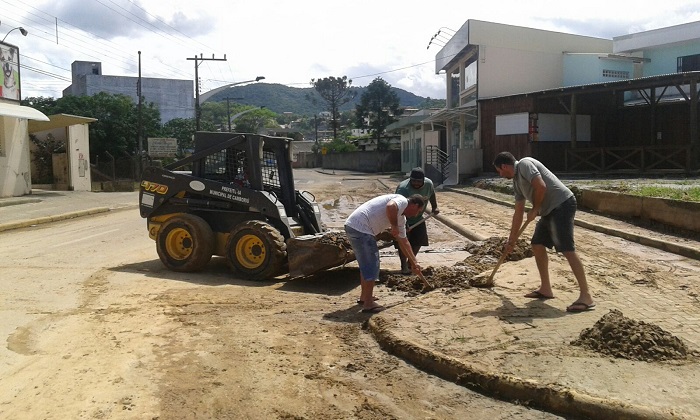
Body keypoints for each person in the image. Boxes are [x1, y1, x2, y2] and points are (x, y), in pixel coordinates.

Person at [492, 151, 595, 313]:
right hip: (549, 210)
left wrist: (536, 208)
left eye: (499, 171)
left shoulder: (525, 164)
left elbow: (541, 186)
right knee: (537, 244)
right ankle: (546, 288)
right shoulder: (517, 182)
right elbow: (518, 212)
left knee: (567, 249)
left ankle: (586, 296)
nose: (500, 174)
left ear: (504, 166)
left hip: (562, 205)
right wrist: (511, 240)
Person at [344, 194, 426, 313]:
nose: (416, 215)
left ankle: (364, 297)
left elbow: (404, 242)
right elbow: (390, 206)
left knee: (366, 264)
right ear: (415, 205)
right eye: (418, 211)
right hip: (361, 228)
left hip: (355, 227)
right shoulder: (402, 201)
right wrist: (393, 226)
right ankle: (368, 303)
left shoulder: (401, 219)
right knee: (372, 264)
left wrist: (414, 262)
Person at [395, 167, 439, 274]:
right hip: (403, 218)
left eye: (418, 181)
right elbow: (397, 207)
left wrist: (434, 207)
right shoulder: (403, 189)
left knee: (419, 240)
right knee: (403, 243)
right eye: (413, 181)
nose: (415, 183)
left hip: (418, 218)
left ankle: (411, 262)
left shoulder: (429, 184)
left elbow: (432, 194)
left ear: (423, 180)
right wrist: (401, 224)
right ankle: (404, 265)